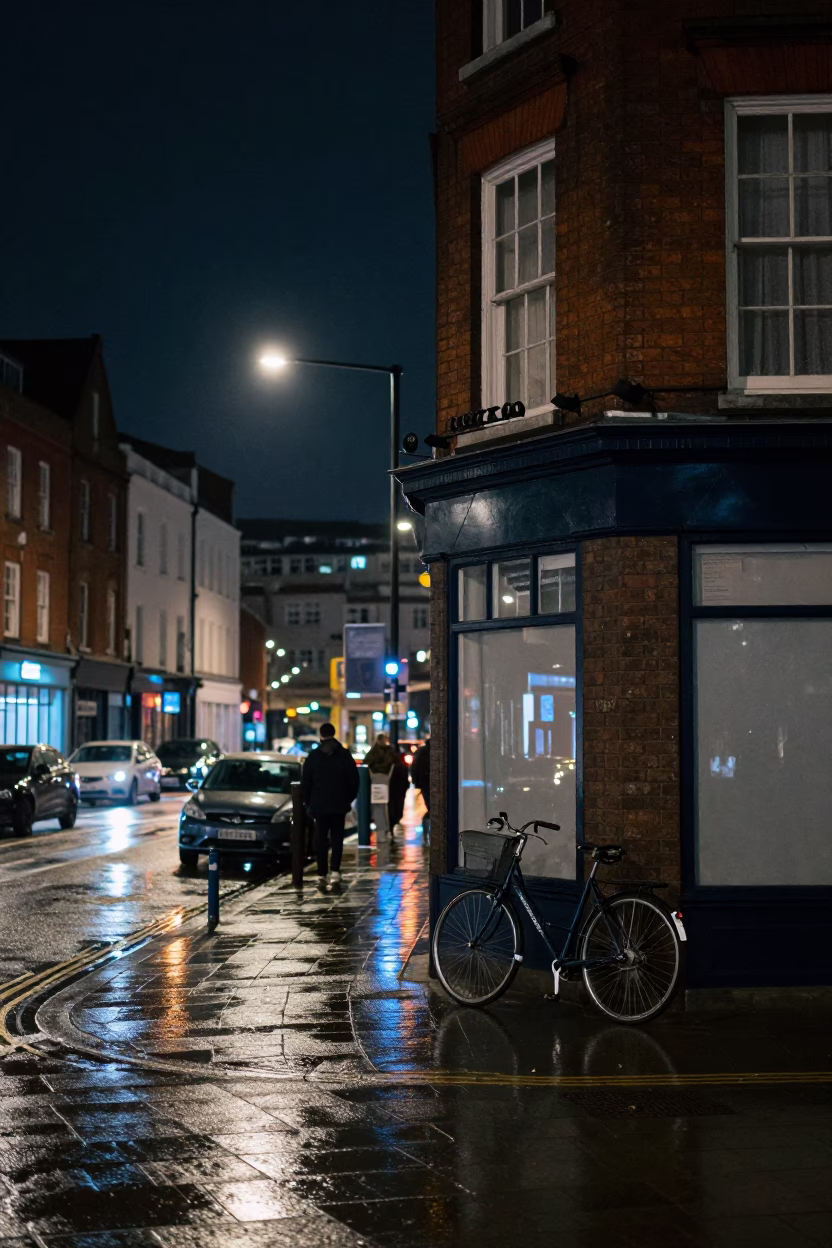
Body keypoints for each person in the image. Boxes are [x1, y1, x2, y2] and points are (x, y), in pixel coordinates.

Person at [300, 722, 359, 891]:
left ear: (321, 735)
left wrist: (309, 802)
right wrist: (347, 799)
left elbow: (306, 781)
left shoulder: (313, 756)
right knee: (337, 837)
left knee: (320, 837)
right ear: (334, 733)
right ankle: (335, 870)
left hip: (319, 804)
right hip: (339, 804)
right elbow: (354, 780)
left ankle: (321, 872)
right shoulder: (344, 755)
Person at [411, 737, 430, 832]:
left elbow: (414, 767)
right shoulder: (426, 751)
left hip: (424, 782)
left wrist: (416, 781)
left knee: (429, 804)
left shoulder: (421, 751)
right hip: (426, 781)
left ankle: (428, 827)